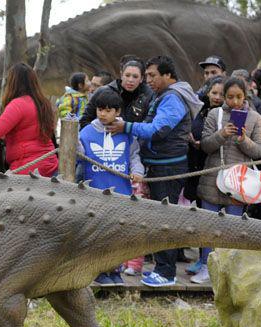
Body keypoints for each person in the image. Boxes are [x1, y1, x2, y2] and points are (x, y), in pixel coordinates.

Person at [106, 56, 203, 287]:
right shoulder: (165, 95)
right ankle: (161, 268)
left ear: (168, 75)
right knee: (159, 218)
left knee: (165, 220)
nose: (147, 80)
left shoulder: (172, 98)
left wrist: (126, 126)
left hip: (168, 165)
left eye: (152, 75)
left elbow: (159, 130)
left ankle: (167, 273)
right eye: (146, 75)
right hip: (159, 163)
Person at [192, 77, 261, 283]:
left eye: (239, 97)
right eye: (230, 97)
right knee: (208, 226)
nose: (234, 101)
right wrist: (222, 134)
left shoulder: (255, 117)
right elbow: (205, 145)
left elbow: (259, 151)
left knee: (233, 228)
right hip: (213, 177)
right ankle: (206, 267)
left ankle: (230, 272)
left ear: (245, 96)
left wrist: (244, 140)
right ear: (224, 96)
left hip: (239, 180)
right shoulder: (215, 114)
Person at [77, 90, 143, 286]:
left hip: (120, 193)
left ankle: (115, 270)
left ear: (117, 111)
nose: (102, 114)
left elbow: (134, 157)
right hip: (95, 192)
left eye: (107, 110)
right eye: (99, 109)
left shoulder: (126, 133)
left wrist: (138, 171)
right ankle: (99, 271)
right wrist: (71, 141)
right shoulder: (87, 132)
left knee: (118, 236)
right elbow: (78, 155)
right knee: (98, 236)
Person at [80, 59, 154, 130]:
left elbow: (149, 126)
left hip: (135, 139)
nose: (130, 80)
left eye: (135, 76)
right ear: (121, 75)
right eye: (127, 75)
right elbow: (85, 120)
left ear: (141, 78)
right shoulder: (103, 91)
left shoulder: (149, 95)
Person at [185, 76, 224, 205]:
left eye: (221, 94)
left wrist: (203, 145)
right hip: (193, 163)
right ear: (208, 93)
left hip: (213, 166)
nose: (217, 97)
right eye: (214, 93)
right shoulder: (199, 109)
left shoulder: (225, 114)